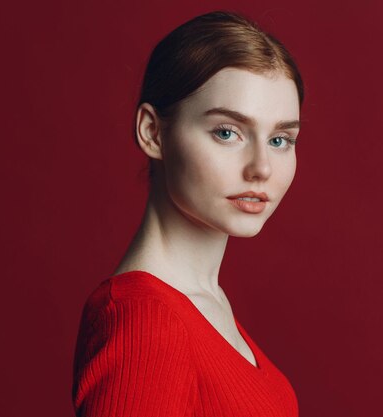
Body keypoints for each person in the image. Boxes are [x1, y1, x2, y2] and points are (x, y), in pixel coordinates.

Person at [72, 10, 304, 417]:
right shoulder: (143, 320)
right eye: (227, 132)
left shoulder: (204, 304)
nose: (262, 167)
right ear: (152, 132)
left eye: (281, 139)